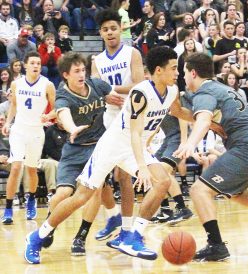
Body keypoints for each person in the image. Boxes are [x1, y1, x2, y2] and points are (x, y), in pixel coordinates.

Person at [24, 46, 194, 264]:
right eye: (173, 68)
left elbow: (177, 113)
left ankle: (132, 236)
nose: (177, 73)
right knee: (81, 197)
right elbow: (133, 131)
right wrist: (142, 166)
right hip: (113, 145)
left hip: (135, 147)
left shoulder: (171, 91)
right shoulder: (141, 92)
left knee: (162, 181)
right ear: (159, 70)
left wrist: (208, 121)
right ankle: (37, 236)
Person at [173, 52, 248, 262]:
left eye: (184, 73)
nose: (183, 77)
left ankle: (216, 245)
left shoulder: (204, 92)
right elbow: (197, 116)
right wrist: (173, 108)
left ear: (193, 72)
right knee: (236, 193)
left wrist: (190, 144)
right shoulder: (223, 89)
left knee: (199, 190)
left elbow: (202, 121)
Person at [29, 52, 123, 253]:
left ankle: (81, 236)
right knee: (63, 193)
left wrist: (120, 101)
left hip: (98, 148)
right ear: (65, 75)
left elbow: (115, 97)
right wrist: (71, 129)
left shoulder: (97, 85)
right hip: (73, 149)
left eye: (83, 70)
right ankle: (48, 226)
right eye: (77, 71)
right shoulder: (62, 94)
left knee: (95, 190)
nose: (82, 74)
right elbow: (63, 111)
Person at [88, 8, 144, 248]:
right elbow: (93, 92)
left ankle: (128, 227)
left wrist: (108, 90)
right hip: (108, 120)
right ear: (100, 33)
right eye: (105, 29)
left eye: (113, 28)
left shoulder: (132, 53)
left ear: (121, 28)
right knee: (99, 177)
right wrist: (104, 95)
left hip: (131, 118)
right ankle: (114, 218)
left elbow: (139, 82)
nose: (110, 32)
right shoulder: (96, 61)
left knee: (124, 176)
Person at [1, 51, 56, 224]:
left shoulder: (48, 85)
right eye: (32, 63)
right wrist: (8, 123)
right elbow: (14, 106)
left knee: (32, 169)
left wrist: (49, 117)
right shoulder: (16, 84)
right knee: (16, 166)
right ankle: (8, 208)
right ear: (25, 65)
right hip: (19, 130)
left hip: (36, 132)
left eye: (38, 64)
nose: (36, 66)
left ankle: (31, 199)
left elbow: (56, 108)